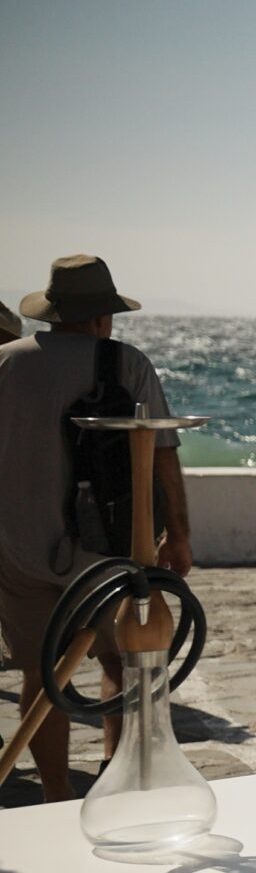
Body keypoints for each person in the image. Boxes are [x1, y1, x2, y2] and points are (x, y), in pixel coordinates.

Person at [0, 255, 193, 801]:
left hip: (17, 548)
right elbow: (161, 454)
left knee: (41, 674)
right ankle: (116, 780)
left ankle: (55, 795)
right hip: (105, 549)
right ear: (102, 316)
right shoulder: (125, 363)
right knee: (126, 663)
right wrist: (178, 536)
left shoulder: (5, 363)